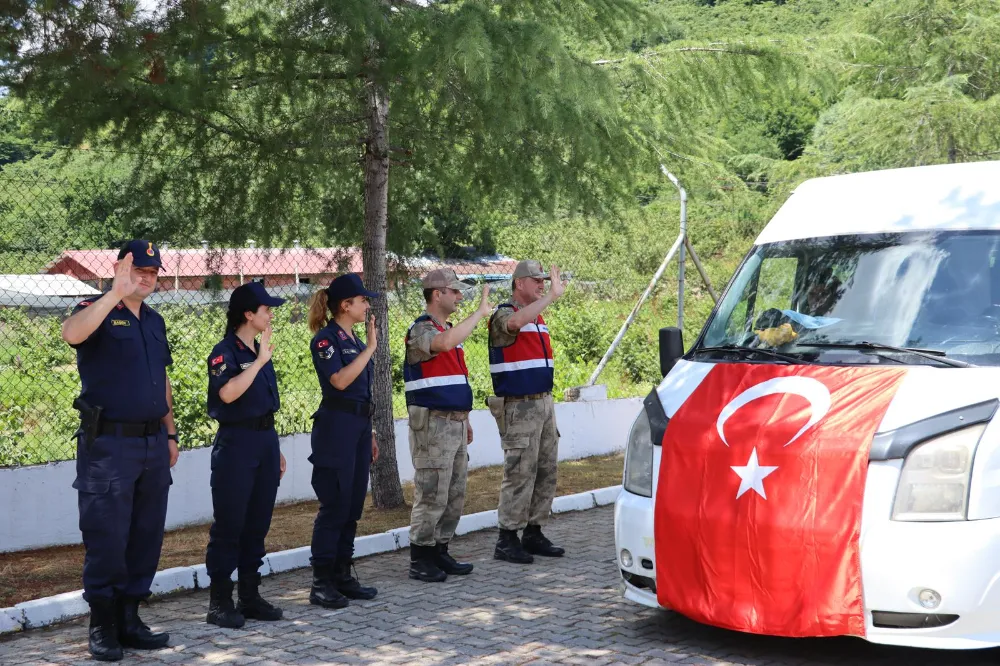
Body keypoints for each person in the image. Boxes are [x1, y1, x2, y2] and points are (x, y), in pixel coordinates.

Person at [60, 240, 179, 662]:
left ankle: (129, 619)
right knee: (107, 537)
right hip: (109, 444)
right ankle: (103, 625)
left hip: (151, 443)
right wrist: (114, 291)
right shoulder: (95, 309)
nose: (145, 277)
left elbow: (161, 378)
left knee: (146, 534)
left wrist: (170, 433)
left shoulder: (154, 321)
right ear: (119, 268)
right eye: (138, 269)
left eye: (153, 272)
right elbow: (71, 334)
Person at [203, 281, 288, 629]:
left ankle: (249, 596)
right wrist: (258, 362)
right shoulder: (225, 352)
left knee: (257, 524)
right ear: (248, 314)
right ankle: (220, 602)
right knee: (230, 525)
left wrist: (275, 448)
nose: (270, 314)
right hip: (237, 445)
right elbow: (227, 394)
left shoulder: (259, 350)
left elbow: (263, 405)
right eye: (265, 309)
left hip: (264, 441)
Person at [403, 269, 493, 582]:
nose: (459, 296)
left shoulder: (452, 330)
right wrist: (480, 314)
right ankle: (421, 557)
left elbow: (457, 376)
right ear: (437, 293)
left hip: (453, 421)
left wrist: (465, 419)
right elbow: (441, 344)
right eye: (453, 291)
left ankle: (440, 550)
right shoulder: (421, 330)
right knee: (432, 491)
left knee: (454, 492)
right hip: (432, 423)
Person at [305, 273, 381, 608]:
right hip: (336, 428)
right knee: (334, 504)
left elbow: (362, 391)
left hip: (360, 428)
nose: (367, 305)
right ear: (345, 305)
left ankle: (343, 575)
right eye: (362, 300)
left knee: (352, 506)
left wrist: (373, 432)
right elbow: (338, 381)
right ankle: (321, 582)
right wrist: (372, 348)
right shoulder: (326, 340)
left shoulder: (358, 342)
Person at [486, 259, 567, 564]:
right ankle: (507, 538)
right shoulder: (503, 314)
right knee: (520, 472)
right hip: (519, 406)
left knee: (546, 470)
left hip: (543, 402)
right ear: (519, 283)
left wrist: (546, 300)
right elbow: (513, 325)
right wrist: (551, 297)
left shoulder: (538, 317)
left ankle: (534, 531)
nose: (543, 285)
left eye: (544, 281)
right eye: (537, 280)